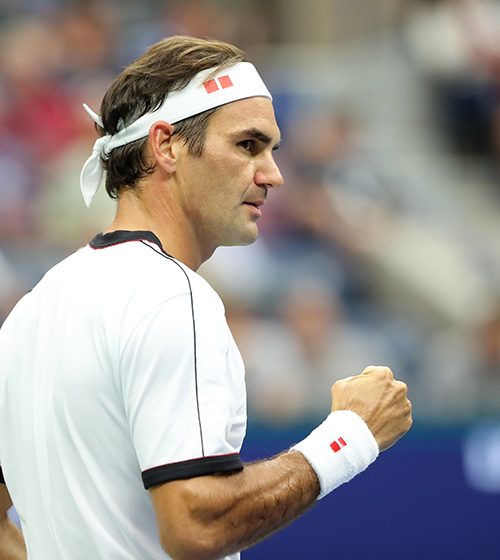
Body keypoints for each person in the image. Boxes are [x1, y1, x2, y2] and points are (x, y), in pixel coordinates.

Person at [0, 36, 412, 560]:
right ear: (166, 146)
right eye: (248, 145)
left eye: (271, 149)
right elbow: (196, 523)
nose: (273, 174)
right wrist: (349, 436)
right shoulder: (171, 295)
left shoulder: (32, 310)